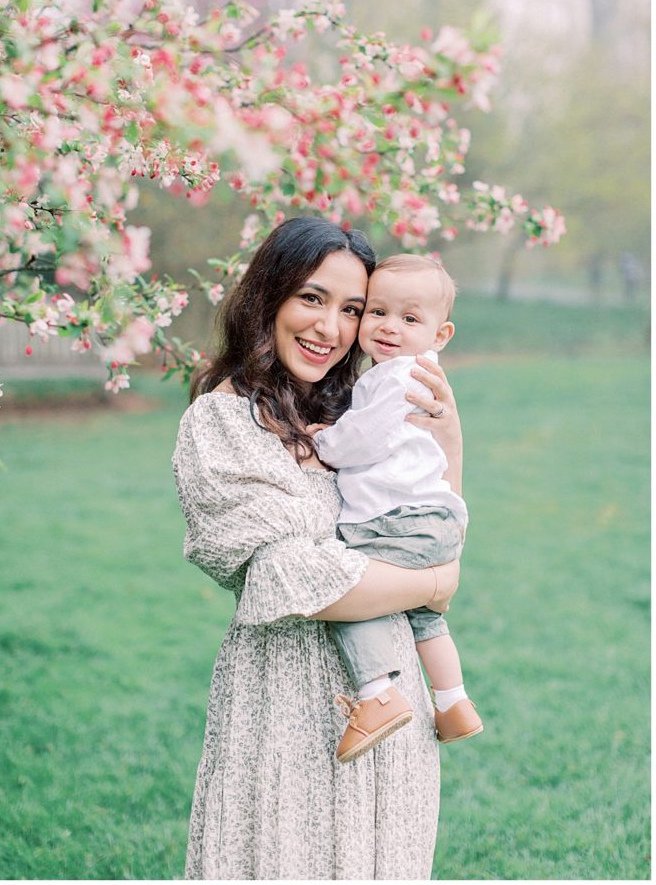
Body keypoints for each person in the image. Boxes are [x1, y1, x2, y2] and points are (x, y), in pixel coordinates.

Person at [172, 217, 463, 880]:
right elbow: (290, 579)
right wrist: (432, 587)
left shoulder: (352, 411)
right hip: (287, 711)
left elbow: (435, 527)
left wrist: (450, 435)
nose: (331, 328)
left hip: (393, 706)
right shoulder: (220, 423)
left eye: (352, 309)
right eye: (311, 297)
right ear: (267, 296)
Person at [312, 254, 482, 764]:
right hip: (432, 518)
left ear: (440, 333)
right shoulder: (418, 371)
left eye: (409, 319)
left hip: (393, 520)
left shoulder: (397, 375)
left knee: (351, 593)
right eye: (377, 312)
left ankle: (376, 695)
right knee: (425, 617)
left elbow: (364, 438)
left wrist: (326, 444)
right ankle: (453, 702)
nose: (389, 328)